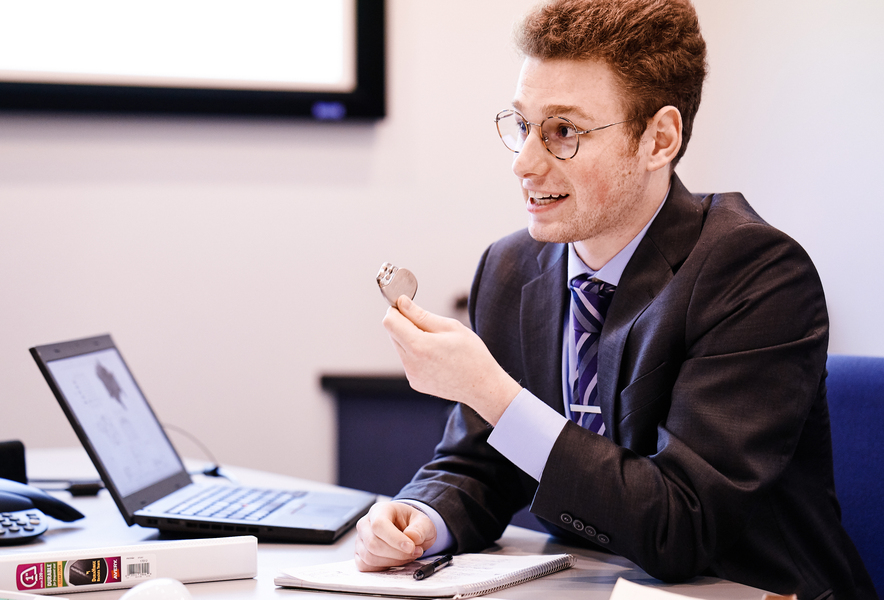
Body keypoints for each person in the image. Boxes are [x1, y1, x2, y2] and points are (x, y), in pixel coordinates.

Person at [354, 0, 876, 598]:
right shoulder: (509, 267)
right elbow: (480, 463)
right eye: (523, 125)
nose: (524, 163)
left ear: (659, 139)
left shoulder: (757, 273)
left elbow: (682, 528)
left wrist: (490, 391)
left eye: (564, 132)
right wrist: (425, 520)